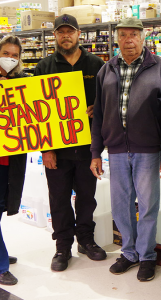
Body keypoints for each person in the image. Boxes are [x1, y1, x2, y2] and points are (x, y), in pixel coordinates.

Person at [90, 17, 161, 282]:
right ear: (117, 39)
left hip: (148, 150)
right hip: (115, 150)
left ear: (143, 37)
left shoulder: (159, 67)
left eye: (133, 35)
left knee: (147, 205)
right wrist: (95, 152)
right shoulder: (107, 69)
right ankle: (129, 252)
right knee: (120, 206)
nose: (128, 40)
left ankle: (147, 255)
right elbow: (98, 114)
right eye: (123, 35)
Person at [34, 14, 106, 272]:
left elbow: (108, 100)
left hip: (88, 148)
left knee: (87, 197)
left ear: (79, 34)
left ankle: (86, 240)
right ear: (55, 35)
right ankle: (62, 245)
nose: (66, 36)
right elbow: (36, 113)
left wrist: (97, 106)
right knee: (59, 198)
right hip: (58, 150)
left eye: (70, 31)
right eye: (61, 32)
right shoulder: (44, 66)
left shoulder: (97, 64)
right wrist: (47, 149)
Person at [0, 35, 28, 285]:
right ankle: (0, 264)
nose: (10, 58)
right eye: (5, 53)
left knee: (0, 207)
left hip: (10, 159)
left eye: (14, 55)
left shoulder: (21, 82)